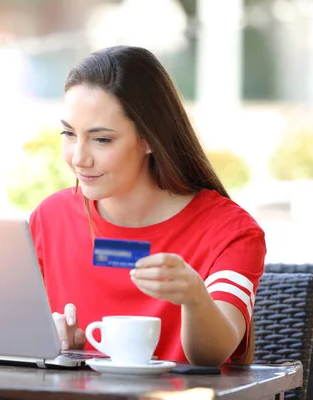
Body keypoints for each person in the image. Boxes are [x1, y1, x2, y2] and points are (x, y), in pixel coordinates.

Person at [29, 46, 266, 367]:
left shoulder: (230, 233)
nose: (78, 158)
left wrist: (195, 298)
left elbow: (211, 354)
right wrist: (51, 342)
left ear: (151, 138)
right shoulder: (50, 218)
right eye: (69, 134)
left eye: (101, 139)